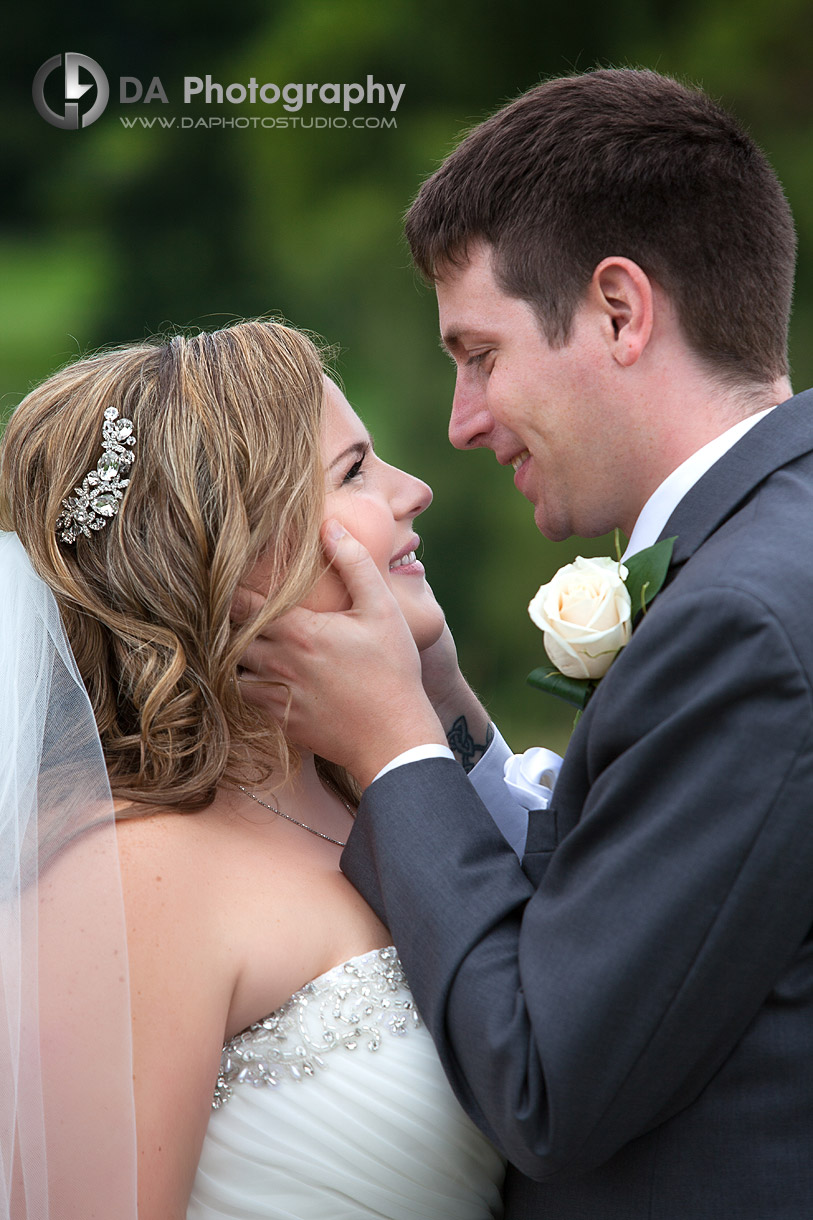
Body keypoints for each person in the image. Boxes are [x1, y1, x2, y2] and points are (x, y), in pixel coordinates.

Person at [237, 69, 813, 1216]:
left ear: (617, 310)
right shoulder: (762, 555)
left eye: (481, 352)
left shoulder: (744, 619)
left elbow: (549, 1077)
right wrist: (448, 715)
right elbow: (629, 915)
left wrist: (394, 747)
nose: (461, 422)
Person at [0, 320, 506, 1219]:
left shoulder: (375, 793)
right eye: (355, 472)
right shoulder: (132, 876)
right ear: (222, 548)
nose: (414, 490)